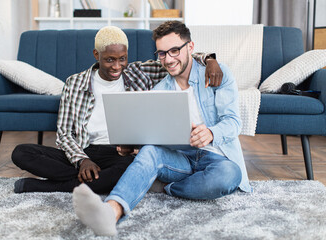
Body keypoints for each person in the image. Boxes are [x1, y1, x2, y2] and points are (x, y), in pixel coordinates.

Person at [72, 21, 252, 237]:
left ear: (190, 48)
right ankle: (111, 212)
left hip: (218, 158)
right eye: (162, 53)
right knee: (149, 151)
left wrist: (211, 132)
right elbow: (157, 134)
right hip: (181, 158)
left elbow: (233, 122)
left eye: (174, 50)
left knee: (230, 174)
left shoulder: (216, 75)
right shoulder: (160, 89)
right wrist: (133, 145)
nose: (168, 59)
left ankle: (168, 187)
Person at [11, 25, 223, 194]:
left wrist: (209, 59)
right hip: (86, 150)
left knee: (130, 168)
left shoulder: (140, 72)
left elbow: (176, 58)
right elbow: (64, 134)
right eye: (109, 60)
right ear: (96, 54)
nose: (117, 66)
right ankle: (95, 180)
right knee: (21, 153)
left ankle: (45, 187)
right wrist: (82, 161)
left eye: (122, 59)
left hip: (122, 153)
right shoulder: (75, 83)